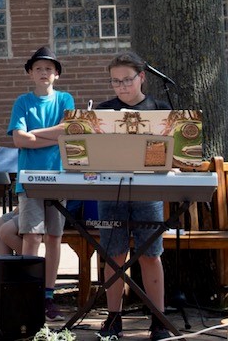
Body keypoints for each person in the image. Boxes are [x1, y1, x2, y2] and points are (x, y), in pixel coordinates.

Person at [96, 51, 171, 341]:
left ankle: (159, 320)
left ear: (141, 77)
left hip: (148, 191)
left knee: (150, 254)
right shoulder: (103, 111)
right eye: (115, 82)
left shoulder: (159, 109)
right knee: (113, 253)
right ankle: (113, 319)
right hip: (110, 190)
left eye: (126, 80)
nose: (121, 87)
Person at [8, 46, 75, 321]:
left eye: (49, 68)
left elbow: (68, 131)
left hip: (59, 177)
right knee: (32, 236)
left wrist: (35, 133)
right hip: (30, 181)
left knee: (54, 237)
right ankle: (29, 293)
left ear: (56, 74)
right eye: (38, 68)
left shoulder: (65, 99)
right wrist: (49, 137)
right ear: (30, 74)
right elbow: (19, 140)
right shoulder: (22, 102)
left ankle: (48, 295)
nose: (44, 73)